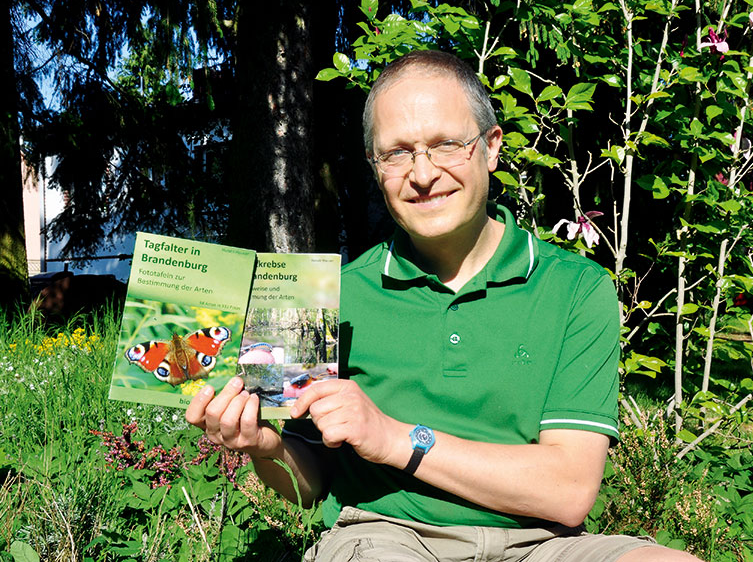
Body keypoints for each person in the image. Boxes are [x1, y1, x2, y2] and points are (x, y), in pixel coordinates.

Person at [187, 50, 702, 562]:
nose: (423, 173)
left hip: (545, 546)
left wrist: (391, 437)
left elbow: (568, 493)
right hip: (385, 536)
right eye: (397, 153)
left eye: (446, 144)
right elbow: (310, 485)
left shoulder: (576, 288)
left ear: (491, 148)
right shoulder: (330, 295)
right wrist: (265, 447)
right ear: (375, 167)